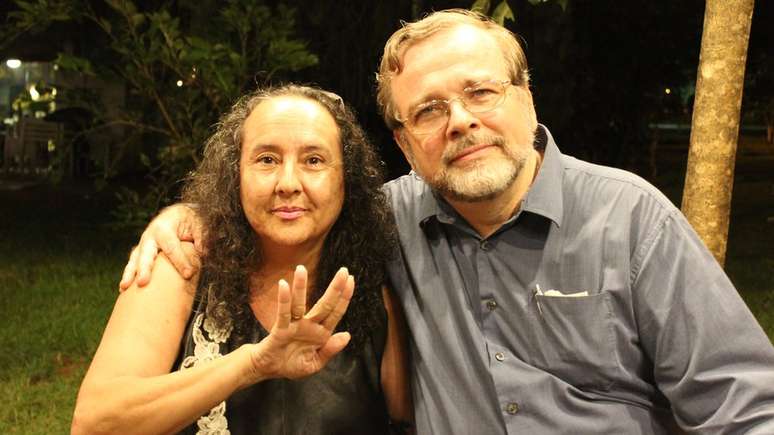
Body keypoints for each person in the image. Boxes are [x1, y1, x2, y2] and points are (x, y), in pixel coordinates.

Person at [120, 9, 774, 435]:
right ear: (404, 143)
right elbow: (285, 202)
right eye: (428, 110)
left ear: (525, 97)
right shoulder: (386, 219)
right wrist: (187, 216)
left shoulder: (632, 221)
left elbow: (746, 408)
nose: (459, 121)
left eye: (480, 93)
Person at [72, 84, 412, 435]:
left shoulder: (376, 297)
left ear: (347, 180)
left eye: (313, 160)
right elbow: (95, 423)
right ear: (235, 175)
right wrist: (252, 364)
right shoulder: (181, 265)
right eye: (267, 159)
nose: (288, 183)